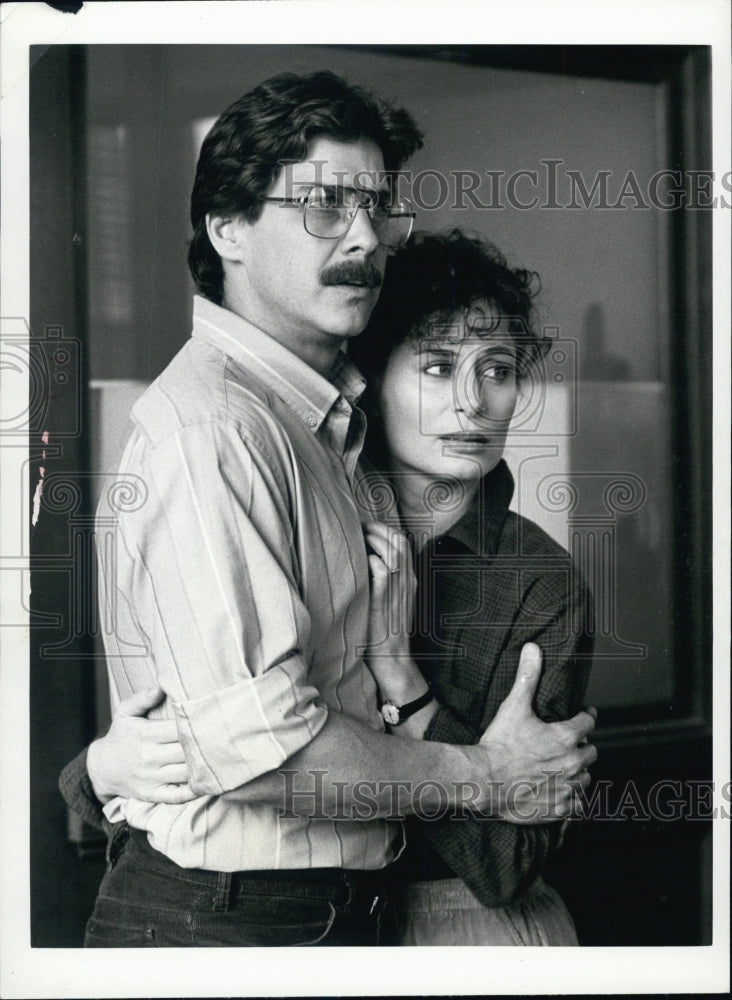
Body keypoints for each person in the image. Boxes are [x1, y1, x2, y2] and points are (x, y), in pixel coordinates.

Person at [60, 72, 597, 948]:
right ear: (226, 228)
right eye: (322, 204)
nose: (363, 237)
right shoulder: (218, 431)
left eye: (376, 206)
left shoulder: (326, 434)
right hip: (236, 915)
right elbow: (270, 751)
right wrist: (484, 773)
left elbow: (239, 717)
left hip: (334, 914)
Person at [350, 229, 594, 944]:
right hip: (316, 928)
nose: (473, 402)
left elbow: (506, 860)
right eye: (436, 366)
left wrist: (400, 677)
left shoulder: (542, 584)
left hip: (474, 930)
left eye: (497, 369)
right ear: (370, 377)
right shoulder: (315, 537)